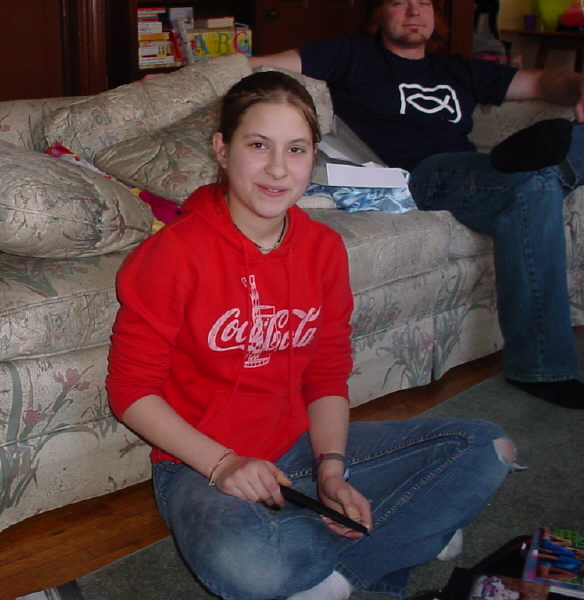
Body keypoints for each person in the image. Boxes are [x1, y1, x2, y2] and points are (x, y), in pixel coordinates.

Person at [106, 70, 516, 600]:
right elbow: (131, 391)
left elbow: (326, 373)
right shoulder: (172, 255)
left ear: (313, 157)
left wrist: (332, 472)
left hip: (298, 449)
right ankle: (410, 529)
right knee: (251, 567)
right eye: (258, 145)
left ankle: (345, 568)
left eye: (296, 149)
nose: (278, 168)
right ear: (223, 150)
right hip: (200, 466)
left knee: (488, 447)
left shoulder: (323, 250)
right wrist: (223, 463)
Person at [248, 0, 584, 409]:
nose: (413, 11)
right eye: (399, 2)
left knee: (536, 182)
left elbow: (545, 83)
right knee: (533, 177)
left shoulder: (458, 69)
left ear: (435, 16)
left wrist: (578, 85)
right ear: (379, 15)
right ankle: (550, 159)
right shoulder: (351, 54)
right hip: (424, 173)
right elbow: (263, 64)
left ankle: (545, 161)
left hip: (483, 171)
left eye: (422, 2)